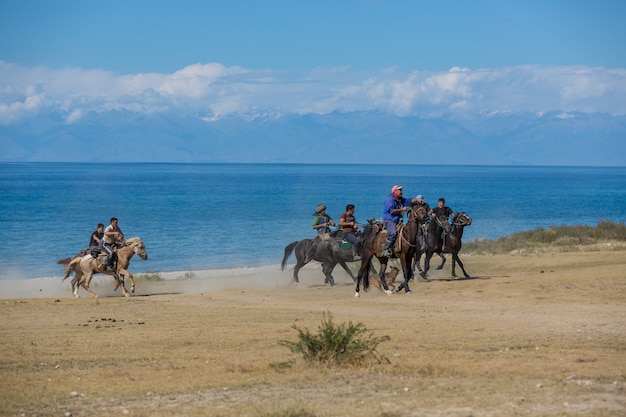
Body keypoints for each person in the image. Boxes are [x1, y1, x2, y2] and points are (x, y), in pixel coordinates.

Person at [382, 185, 418, 257]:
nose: (401, 192)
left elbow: (408, 200)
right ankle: (385, 249)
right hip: (389, 220)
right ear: (394, 191)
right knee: (393, 233)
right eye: (400, 190)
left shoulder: (400, 199)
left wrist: (417, 200)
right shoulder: (389, 199)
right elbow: (392, 211)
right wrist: (402, 210)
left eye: (401, 190)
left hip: (397, 220)